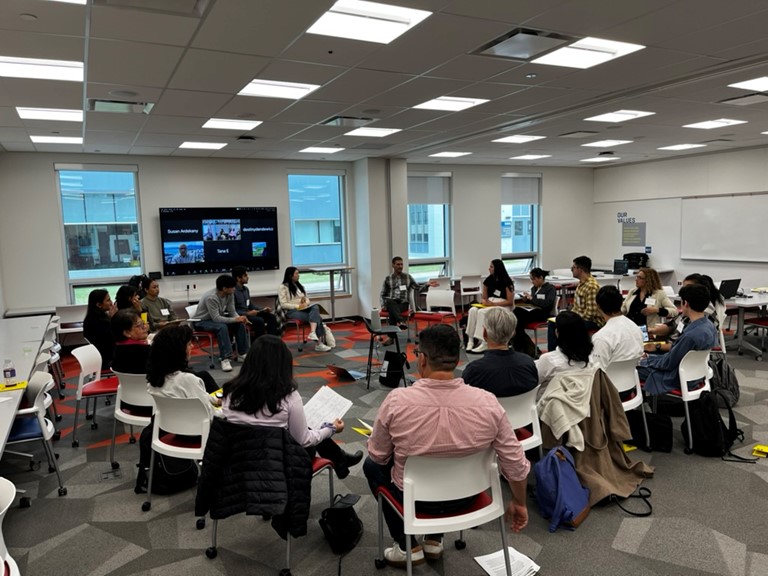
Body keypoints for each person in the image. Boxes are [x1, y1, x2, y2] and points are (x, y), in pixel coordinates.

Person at [364, 325, 530, 568]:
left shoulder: (397, 401)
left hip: (414, 499)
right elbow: (515, 464)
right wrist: (520, 502)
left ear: (421, 359)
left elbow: (378, 456)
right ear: (457, 359)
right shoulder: (487, 403)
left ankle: (406, 546)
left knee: (371, 466)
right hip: (467, 496)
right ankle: (434, 539)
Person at [220, 335, 363, 479]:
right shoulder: (288, 396)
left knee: (305, 427)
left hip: (238, 459)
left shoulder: (230, 392)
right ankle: (340, 460)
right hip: (279, 462)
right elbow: (304, 440)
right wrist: (330, 429)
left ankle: (341, 460)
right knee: (311, 430)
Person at [638, 283, 718, 395]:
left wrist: (644, 360)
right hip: (696, 374)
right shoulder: (709, 326)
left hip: (676, 376)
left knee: (630, 369)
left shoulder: (691, 336)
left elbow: (668, 363)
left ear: (685, 303)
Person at [146, 323, 219, 418]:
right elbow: (210, 415)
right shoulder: (188, 380)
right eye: (189, 344)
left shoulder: (152, 381)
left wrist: (215, 400)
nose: (192, 346)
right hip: (199, 428)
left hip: (169, 425)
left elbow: (200, 396)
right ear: (178, 351)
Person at [463, 307, 538, 398]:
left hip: (489, 411)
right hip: (524, 411)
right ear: (513, 333)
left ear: (484, 334)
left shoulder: (474, 370)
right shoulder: (528, 363)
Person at [647, 273, 722, 353]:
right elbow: (672, 325)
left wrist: (657, 346)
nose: (683, 291)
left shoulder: (700, 317)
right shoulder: (691, 313)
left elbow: (681, 348)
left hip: (673, 352)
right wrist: (653, 330)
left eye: (687, 287)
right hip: (672, 348)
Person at [193, 274, 250, 372]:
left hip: (214, 320)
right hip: (201, 322)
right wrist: (235, 319)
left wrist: (240, 318)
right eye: (232, 287)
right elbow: (216, 318)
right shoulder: (211, 297)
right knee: (222, 327)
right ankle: (225, 358)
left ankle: (242, 354)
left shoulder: (230, 294)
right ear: (224, 288)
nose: (234, 289)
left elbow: (232, 311)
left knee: (239, 324)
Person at [547, 255, 603, 351]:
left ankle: (564, 351)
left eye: (573, 267)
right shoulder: (581, 283)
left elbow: (591, 314)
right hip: (580, 318)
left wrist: (572, 319)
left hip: (592, 322)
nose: (571, 270)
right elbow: (577, 308)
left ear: (580, 269)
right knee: (553, 322)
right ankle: (556, 352)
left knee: (563, 325)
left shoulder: (592, 286)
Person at [379, 257, 436, 345]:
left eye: (401, 264)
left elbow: (417, 288)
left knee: (392, 310)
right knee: (390, 302)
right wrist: (383, 305)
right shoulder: (388, 279)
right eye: (398, 264)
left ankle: (391, 338)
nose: (400, 266)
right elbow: (382, 294)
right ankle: (401, 321)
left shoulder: (408, 277)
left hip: (403, 303)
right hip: (391, 302)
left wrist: (427, 285)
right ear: (393, 265)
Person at [278, 267, 334, 352]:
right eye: (296, 273)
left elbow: (307, 299)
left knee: (315, 307)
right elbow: (283, 304)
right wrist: (297, 306)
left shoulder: (299, 286)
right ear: (290, 275)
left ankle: (312, 333)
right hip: (292, 311)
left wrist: (306, 303)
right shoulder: (283, 287)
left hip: (304, 308)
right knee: (317, 317)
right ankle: (318, 344)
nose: (298, 275)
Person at [465, 259, 515, 353]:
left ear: (497, 268)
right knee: (473, 310)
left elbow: (510, 301)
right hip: (490, 303)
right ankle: (470, 340)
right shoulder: (488, 280)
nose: (489, 269)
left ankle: (484, 342)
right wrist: (484, 301)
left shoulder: (507, 281)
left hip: (502, 305)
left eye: (491, 267)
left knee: (481, 312)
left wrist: (494, 304)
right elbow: (484, 297)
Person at [590, 286, 644, 370]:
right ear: (621, 303)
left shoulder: (601, 337)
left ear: (598, 306)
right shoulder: (636, 328)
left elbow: (597, 371)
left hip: (607, 381)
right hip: (632, 379)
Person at [536, 310, 593, 389]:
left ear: (557, 332)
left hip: (551, 400)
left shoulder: (548, 360)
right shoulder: (592, 359)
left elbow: (533, 383)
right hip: (583, 399)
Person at [512, 267, 557, 358]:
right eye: (531, 279)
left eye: (533, 279)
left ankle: (524, 349)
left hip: (543, 313)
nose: (532, 281)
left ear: (540, 278)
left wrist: (532, 299)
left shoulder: (550, 288)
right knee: (516, 316)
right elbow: (533, 301)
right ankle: (529, 349)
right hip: (533, 311)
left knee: (517, 320)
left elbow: (547, 304)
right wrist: (526, 300)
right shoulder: (533, 288)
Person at [232, 265, 278, 338]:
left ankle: (272, 340)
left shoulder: (246, 289)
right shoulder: (232, 291)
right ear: (238, 278)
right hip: (242, 316)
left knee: (271, 317)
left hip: (250, 313)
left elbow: (250, 305)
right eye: (245, 275)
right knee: (259, 321)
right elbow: (232, 310)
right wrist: (247, 313)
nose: (248, 277)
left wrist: (262, 309)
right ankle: (259, 344)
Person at [83, 288, 117, 370]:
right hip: (106, 360)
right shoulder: (99, 322)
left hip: (102, 357)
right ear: (99, 305)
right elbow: (114, 338)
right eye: (108, 300)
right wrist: (113, 319)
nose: (111, 303)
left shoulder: (93, 317)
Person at [110, 309, 150, 373]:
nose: (145, 327)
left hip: (125, 383)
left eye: (143, 323)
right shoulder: (146, 351)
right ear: (127, 333)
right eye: (140, 325)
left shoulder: (118, 348)